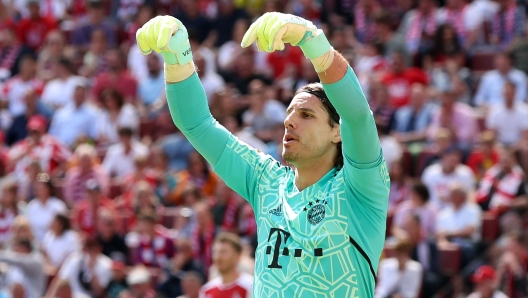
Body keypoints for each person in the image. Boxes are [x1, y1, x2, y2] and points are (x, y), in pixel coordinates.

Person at [136, 12, 389, 297]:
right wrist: (178, 59)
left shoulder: (360, 188)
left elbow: (357, 116)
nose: (289, 121)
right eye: (289, 113)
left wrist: (314, 43)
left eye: (306, 114)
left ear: (337, 132)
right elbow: (197, 124)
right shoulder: (267, 182)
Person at [200, 233, 253, 298]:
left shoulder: (251, 286)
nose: (218, 257)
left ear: (238, 256)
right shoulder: (206, 290)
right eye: (215, 252)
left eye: (223, 252)